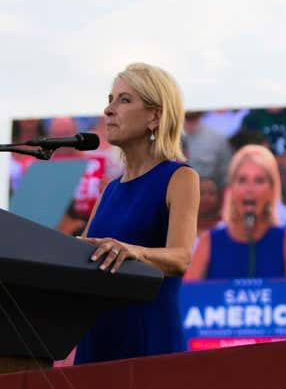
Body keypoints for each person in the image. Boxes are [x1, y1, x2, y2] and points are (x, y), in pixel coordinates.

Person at [74, 63, 199, 364]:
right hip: (97, 342)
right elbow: (84, 259)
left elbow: (181, 257)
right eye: (110, 99)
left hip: (148, 341)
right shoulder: (110, 191)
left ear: (155, 116)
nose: (108, 110)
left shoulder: (180, 177)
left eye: (124, 100)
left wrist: (132, 251)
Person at [184, 145, 286, 280]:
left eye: (259, 181)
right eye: (242, 180)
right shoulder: (208, 242)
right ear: (231, 189)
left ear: (272, 190)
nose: (250, 189)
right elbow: (188, 298)